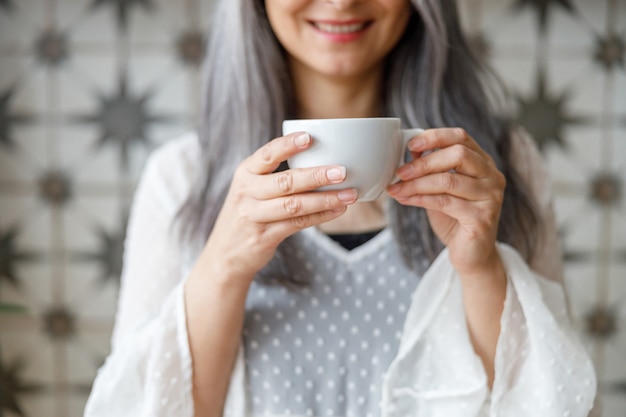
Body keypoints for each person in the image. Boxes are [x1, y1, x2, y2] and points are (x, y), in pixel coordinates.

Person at [84, 0, 597, 416]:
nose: (342, 1)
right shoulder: (182, 178)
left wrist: (480, 266)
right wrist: (223, 266)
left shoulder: (499, 166)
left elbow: (552, 400)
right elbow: (143, 404)